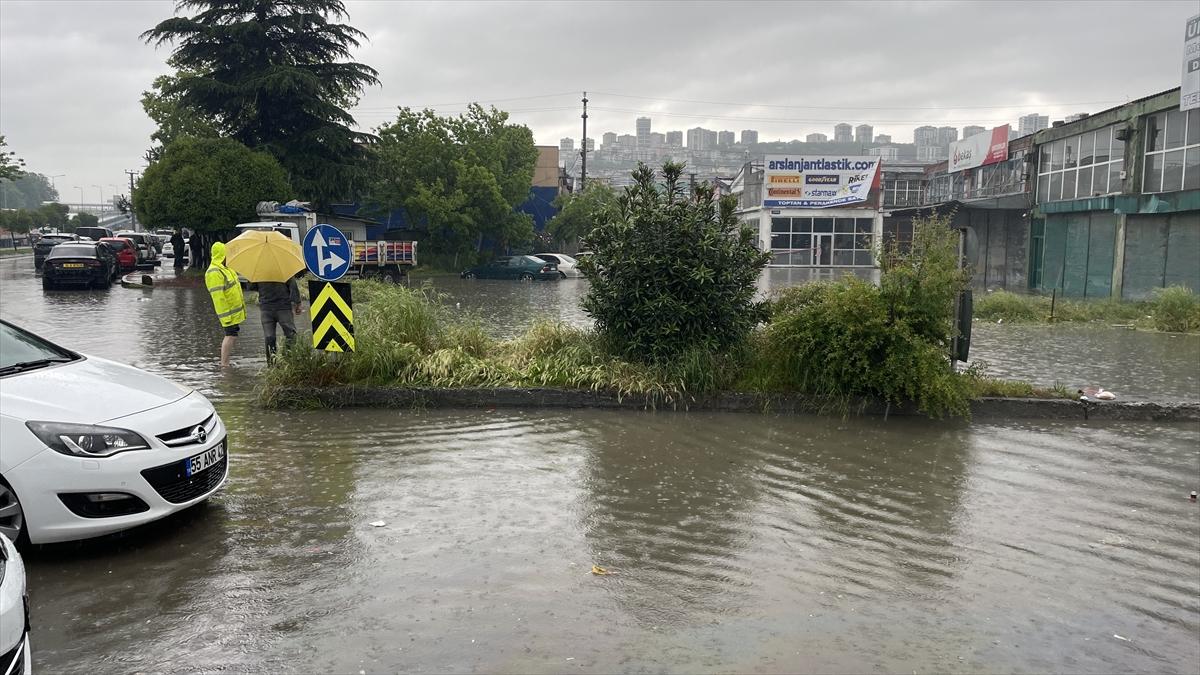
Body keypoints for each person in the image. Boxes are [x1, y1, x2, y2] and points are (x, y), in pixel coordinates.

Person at [205, 241, 246, 368]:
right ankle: (224, 364)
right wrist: (226, 317)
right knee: (230, 335)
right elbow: (218, 297)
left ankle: (225, 362)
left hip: (233, 311)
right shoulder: (214, 272)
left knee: (232, 335)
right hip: (227, 314)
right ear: (221, 254)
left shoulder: (225, 269)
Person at [250, 273, 303, 362]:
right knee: (291, 335)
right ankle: (290, 360)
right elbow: (293, 286)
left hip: (266, 308)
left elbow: (251, 287)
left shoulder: (258, 270)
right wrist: (297, 303)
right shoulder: (283, 268)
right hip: (284, 308)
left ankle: (271, 364)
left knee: (269, 337)